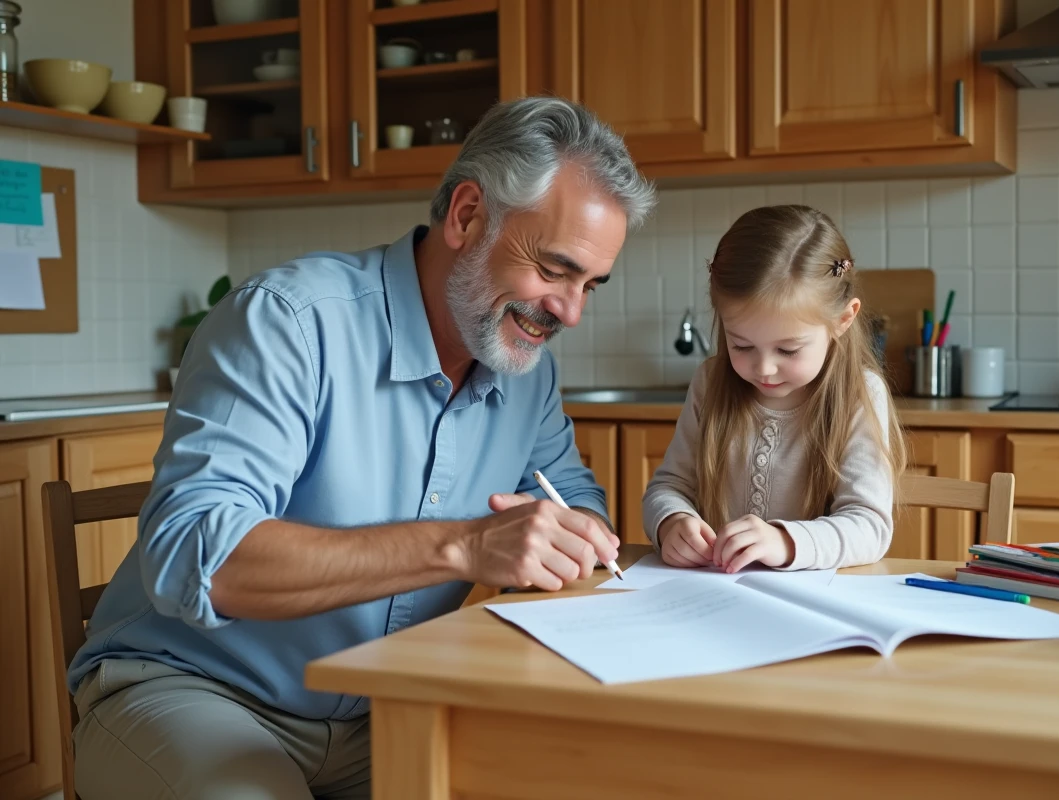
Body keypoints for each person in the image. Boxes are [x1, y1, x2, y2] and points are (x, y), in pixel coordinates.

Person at [67, 96, 656, 799]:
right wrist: (463, 545)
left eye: (590, 284)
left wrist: (578, 531)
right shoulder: (287, 323)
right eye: (555, 270)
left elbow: (569, 491)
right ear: (468, 216)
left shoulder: (525, 370)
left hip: (385, 707)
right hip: (196, 691)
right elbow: (201, 554)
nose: (571, 311)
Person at [642, 204, 906, 574]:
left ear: (843, 319)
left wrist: (785, 541)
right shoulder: (710, 382)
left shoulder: (859, 394)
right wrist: (671, 521)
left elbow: (870, 526)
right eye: (741, 345)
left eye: (788, 349)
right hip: (716, 600)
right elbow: (669, 486)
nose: (763, 368)